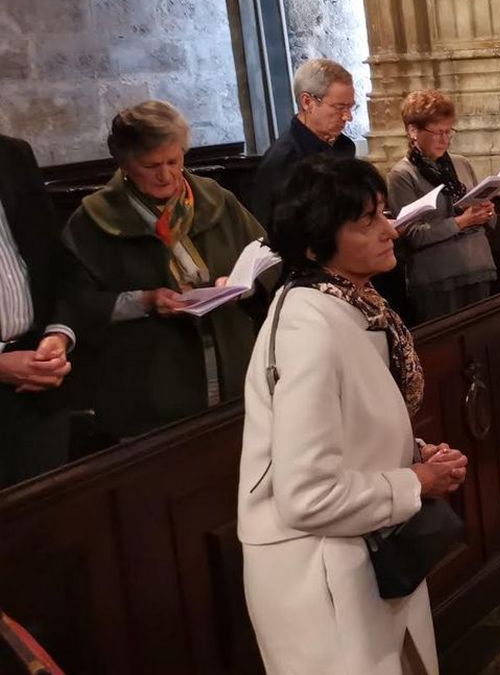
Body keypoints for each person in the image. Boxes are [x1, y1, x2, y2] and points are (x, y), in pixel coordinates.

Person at [237, 155, 468, 675]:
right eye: (367, 222)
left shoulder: (350, 303)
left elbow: (348, 425)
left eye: (383, 213)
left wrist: (412, 454)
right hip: (320, 580)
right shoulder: (309, 330)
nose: (390, 230)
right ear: (318, 244)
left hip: (362, 557)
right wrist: (414, 481)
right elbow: (306, 494)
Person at [63, 101, 269, 440]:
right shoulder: (93, 219)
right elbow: (76, 303)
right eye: (151, 165)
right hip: (150, 387)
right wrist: (143, 300)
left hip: (233, 368)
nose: (167, 174)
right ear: (126, 164)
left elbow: (266, 254)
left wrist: (240, 285)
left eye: (174, 161)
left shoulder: (214, 198)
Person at [0, 134, 77, 485]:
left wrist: (58, 333)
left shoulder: (12, 155)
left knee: (46, 523)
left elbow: (57, 265)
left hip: (38, 379)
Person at [386, 90, 497, 321]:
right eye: (437, 132)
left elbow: (490, 221)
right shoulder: (402, 174)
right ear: (413, 131)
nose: (444, 139)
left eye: (448, 131)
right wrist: (461, 222)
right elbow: (413, 234)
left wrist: (488, 212)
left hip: (478, 266)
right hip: (437, 277)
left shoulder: (461, 164)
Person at [252, 59, 359, 225]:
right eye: (340, 107)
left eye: (351, 107)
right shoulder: (284, 160)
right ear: (307, 102)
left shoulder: (342, 147)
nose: (348, 117)